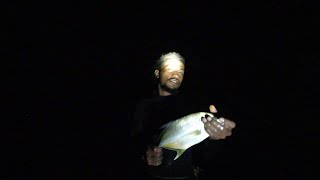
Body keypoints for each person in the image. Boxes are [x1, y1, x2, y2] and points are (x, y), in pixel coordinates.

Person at [129, 52, 236, 180]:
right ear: (158, 73)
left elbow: (205, 153)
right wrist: (144, 155)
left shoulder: (191, 105)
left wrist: (215, 138)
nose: (176, 75)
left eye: (181, 72)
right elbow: (133, 143)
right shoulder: (143, 106)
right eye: (169, 69)